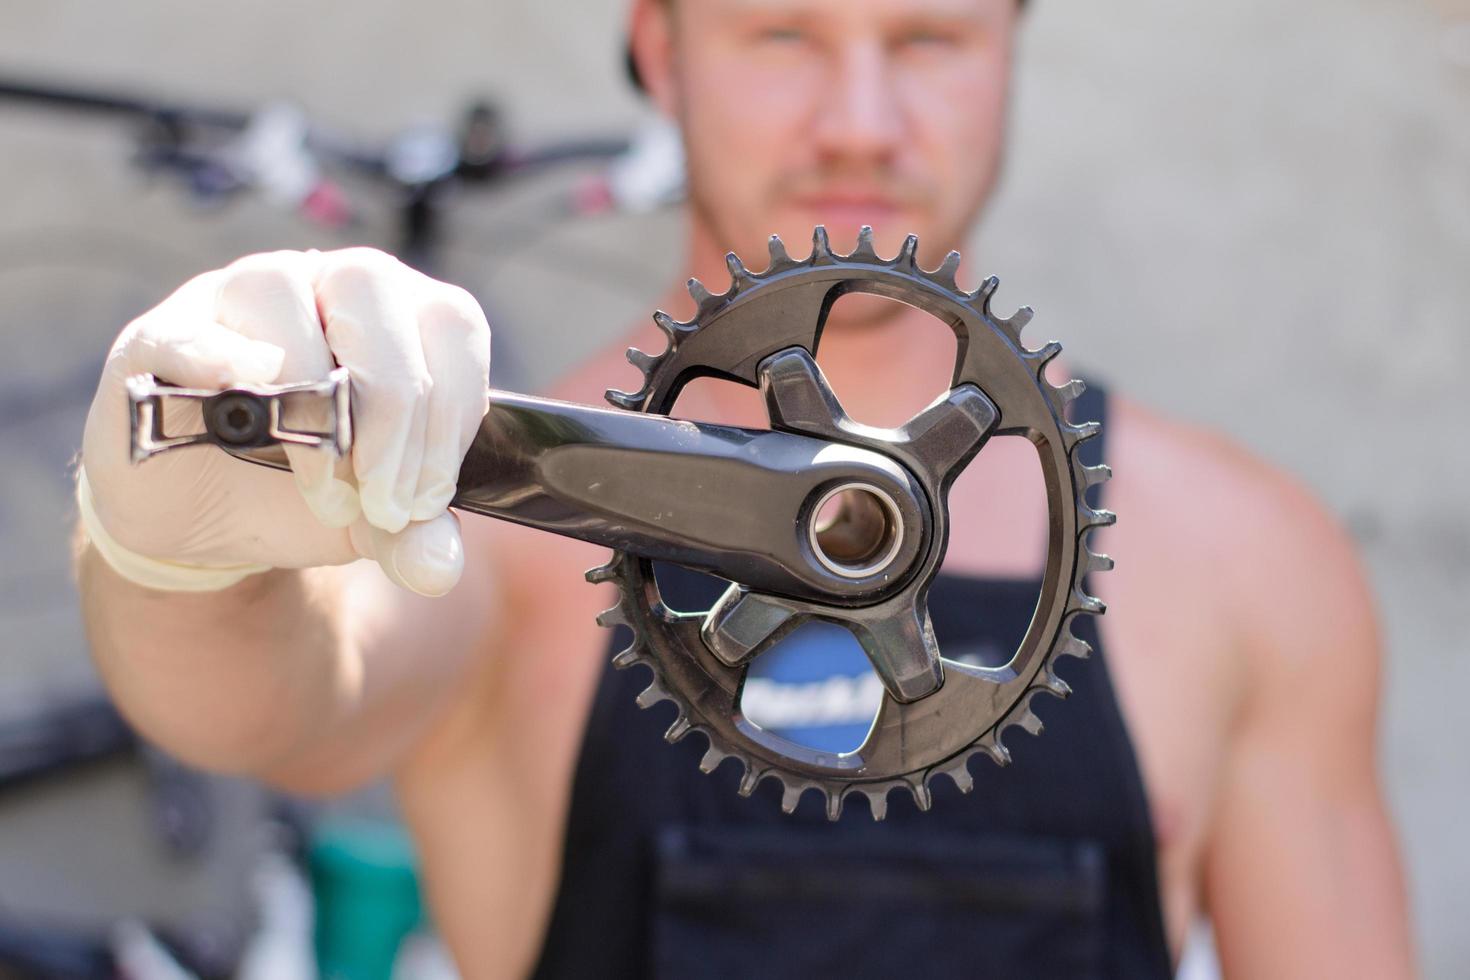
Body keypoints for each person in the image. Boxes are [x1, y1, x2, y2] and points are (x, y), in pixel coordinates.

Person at [74, 0, 1415, 977]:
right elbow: (283, 702)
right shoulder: (507, 529)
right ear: (662, 52)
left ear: (1011, 42)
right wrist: (180, 557)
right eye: (781, 34)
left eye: (928, 39)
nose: (858, 120)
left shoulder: (1244, 565)